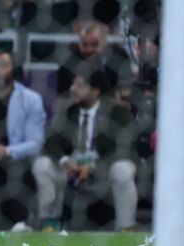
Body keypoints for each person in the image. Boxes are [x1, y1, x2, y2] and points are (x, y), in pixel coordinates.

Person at [32, 63, 137, 232]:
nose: (73, 89)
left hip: (103, 170)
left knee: (123, 169)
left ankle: (126, 230)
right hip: (72, 171)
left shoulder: (117, 111)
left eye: (80, 86)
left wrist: (93, 167)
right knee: (42, 165)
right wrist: (66, 161)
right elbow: (50, 143)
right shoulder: (67, 110)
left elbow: (124, 148)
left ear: (96, 90)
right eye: (73, 84)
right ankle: (48, 226)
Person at [0, 49, 46, 230]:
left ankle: (18, 224)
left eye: (3, 66)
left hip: (14, 160)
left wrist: (6, 151)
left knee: (17, 168)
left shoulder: (31, 100)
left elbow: (36, 142)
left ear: (14, 69)